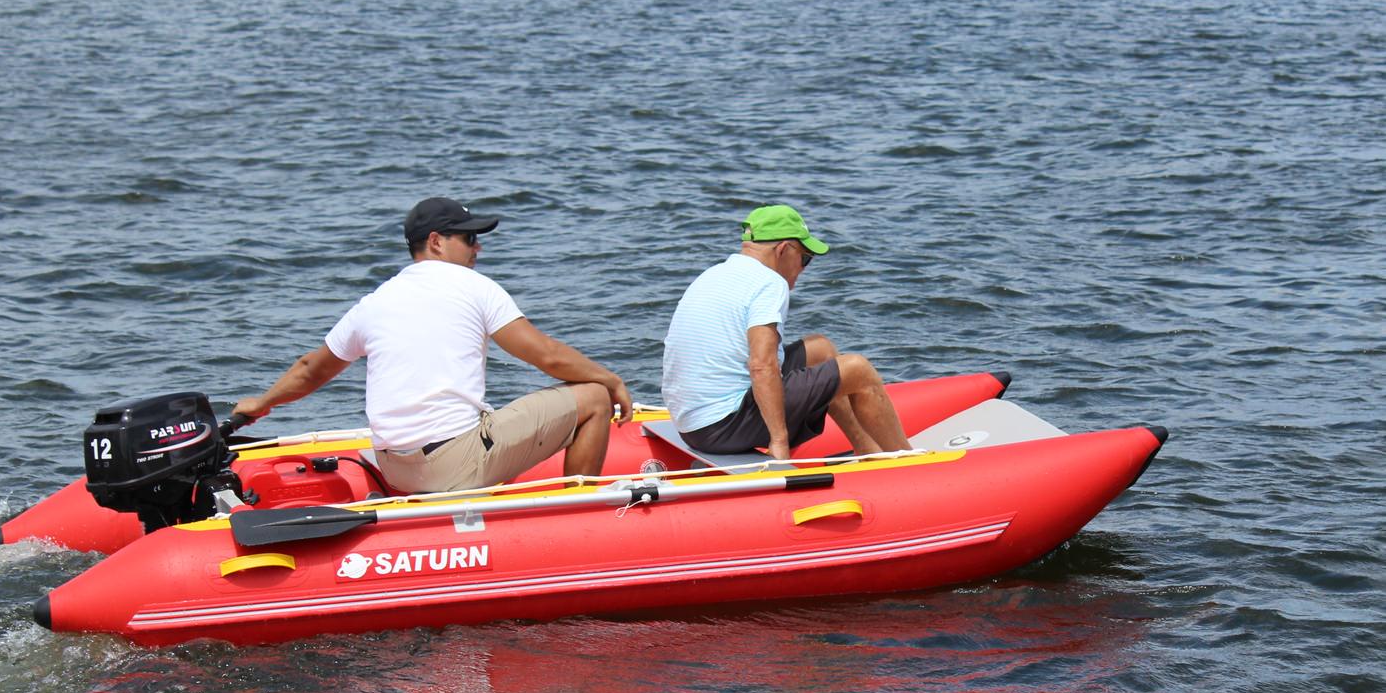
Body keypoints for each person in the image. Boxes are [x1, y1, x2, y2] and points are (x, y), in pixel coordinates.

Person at [235, 197, 631, 493]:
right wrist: (610, 379)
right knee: (593, 397)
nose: (478, 248)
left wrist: (262, 403)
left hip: (395, 469)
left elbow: (310, 370)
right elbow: (546, 356)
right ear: (437, 242)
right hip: (454, 464)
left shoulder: (375, 301)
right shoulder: (473, 285)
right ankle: (581, 508)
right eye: (470, 238)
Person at [661, 204, 911, 462]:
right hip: (723, 426)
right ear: (783, 250)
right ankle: (909, 463)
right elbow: (761, 364)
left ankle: (867, 449)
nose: (803, 269)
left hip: (691, 423)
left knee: (821, 349)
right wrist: (778, 442)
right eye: (805, 259)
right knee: (857, 370)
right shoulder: (769, 282)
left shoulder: (715, 274)